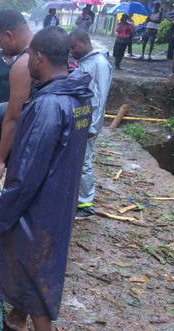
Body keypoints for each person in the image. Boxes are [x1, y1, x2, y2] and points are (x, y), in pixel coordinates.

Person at [0, 26, 92, 331]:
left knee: (34, 263)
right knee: (27, 259)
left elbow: (26, 171)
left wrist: (1, 211)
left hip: (41, 201)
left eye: (28, 57)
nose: (25, 63)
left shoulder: (49, 106)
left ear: (39, 58)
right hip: (61, 196)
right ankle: (17, 318)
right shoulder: (78, 97)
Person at [70, 29, 113, 219]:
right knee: (78, 160)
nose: (72, 51)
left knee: (84, 162)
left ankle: (85, 204)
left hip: (88, 123)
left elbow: (100, 97)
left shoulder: (100, 64)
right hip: (81, 119)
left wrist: (92, 126)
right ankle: (78, 196)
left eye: (73, 46)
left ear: (83, 42)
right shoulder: (87, 61)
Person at [0, 10, 33, 183]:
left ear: (9, 35)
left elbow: (13, 118)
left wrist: (0, 160)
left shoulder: (23, 64)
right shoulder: (49, 46)